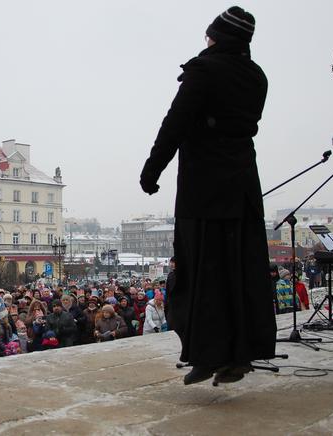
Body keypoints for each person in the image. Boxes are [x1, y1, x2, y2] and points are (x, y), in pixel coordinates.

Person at [140, 6, 276, 385]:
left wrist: (152, 171)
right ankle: (238, 354)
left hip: (204, 190)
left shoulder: (204, 71)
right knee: (238, 273)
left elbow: (175, 123)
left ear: (218, 36)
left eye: (209, 35)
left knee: (201, 275)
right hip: (243, 185)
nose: (206, 40)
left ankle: (206, 353)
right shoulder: (257, 77)